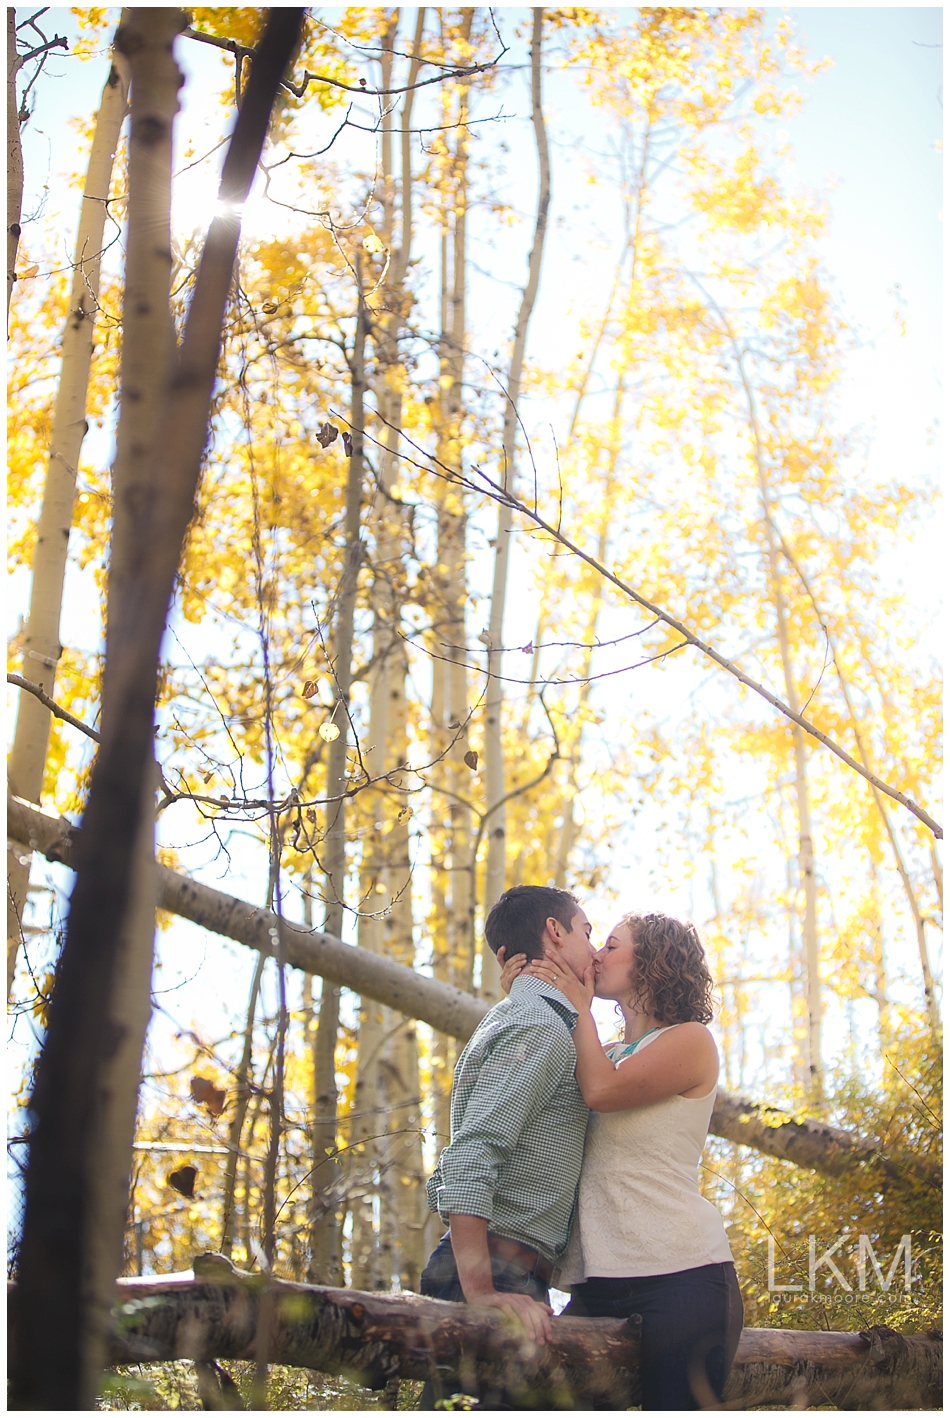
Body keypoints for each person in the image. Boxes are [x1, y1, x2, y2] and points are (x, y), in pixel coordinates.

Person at [501, 910, 744, 1411]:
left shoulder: (690, 1040)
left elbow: (602, 1091)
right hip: (597, 1283)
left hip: (685, 1279)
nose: (595, 955)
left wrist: (578, 1007)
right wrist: (521, 998)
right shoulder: (601, 1047)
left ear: (652, 962)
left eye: (610, 945)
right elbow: (533, 1086)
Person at [419, 884, 595, 1409]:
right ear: (555, 932)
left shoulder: (530, 1018)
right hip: (493, 1271)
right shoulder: (540, 1027)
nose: (594, 946)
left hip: (507, 1272)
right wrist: (481, 1292)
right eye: (587, 932)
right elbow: (474, 1152)